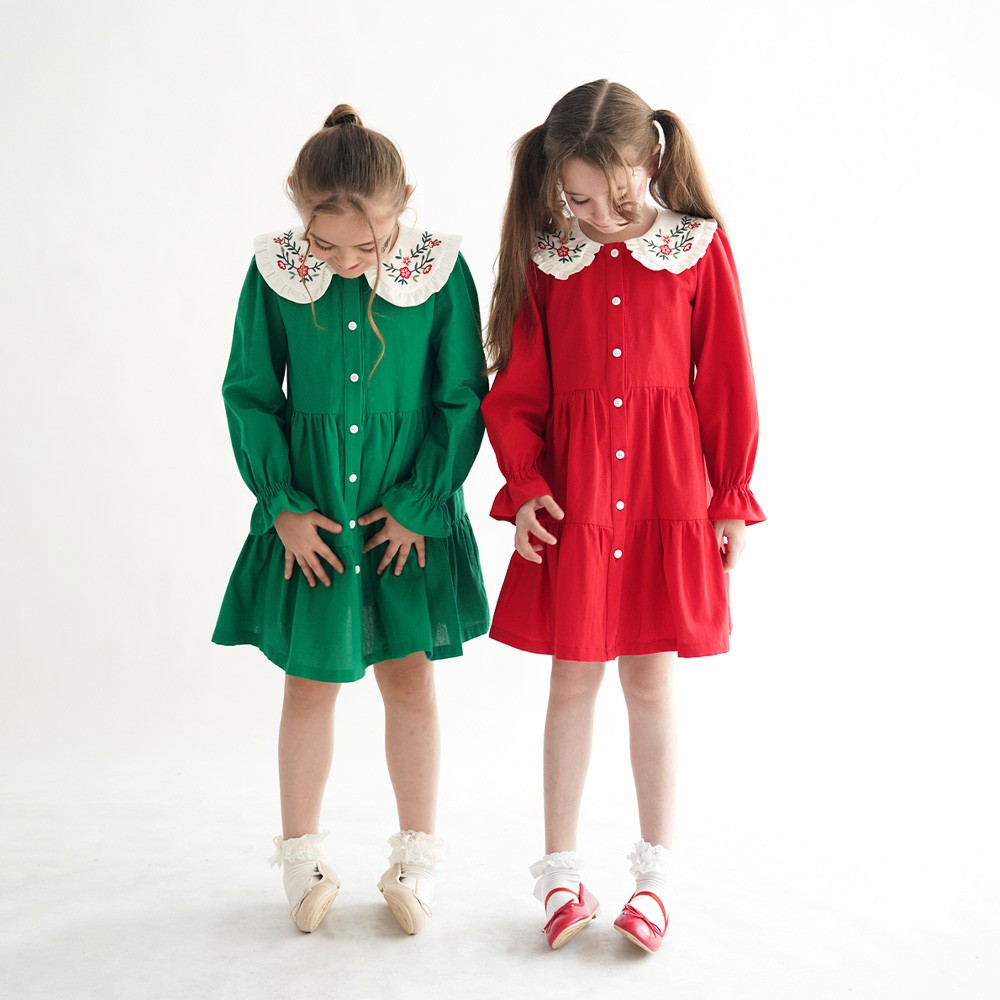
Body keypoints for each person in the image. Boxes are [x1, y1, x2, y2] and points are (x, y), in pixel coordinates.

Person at [481, 80, 765, 954]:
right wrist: (526, 484)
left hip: (662, 494)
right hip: (575, 500)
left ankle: (655, 880)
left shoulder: (696, 249)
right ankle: (560, 874)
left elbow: (726, 379)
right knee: (572, 677)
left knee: (649, 680)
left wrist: (730, 495)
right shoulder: (548, 256)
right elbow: (518, 388)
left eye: (615, 196)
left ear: (652, 162)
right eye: (577, 200)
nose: (597, 217)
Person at [212, 105, 489, 936]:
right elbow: (250, 393)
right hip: (317, 521)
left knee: (410, 682)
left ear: (404, 201)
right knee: (310, 683)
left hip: (404, 521)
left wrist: (420, 504)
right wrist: (282, 506)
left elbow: (461, 396)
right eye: (325, 244)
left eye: (364, 247)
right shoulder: (275, 272)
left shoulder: (440, 273)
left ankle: (416, 858)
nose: (342, 262)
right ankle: (301, 857)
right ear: (299, 211)